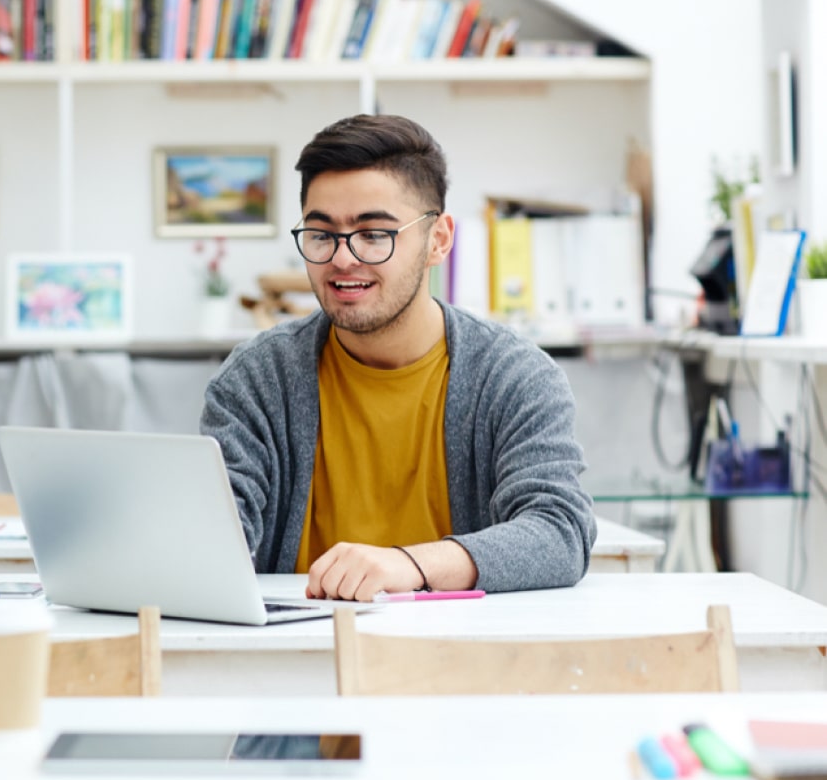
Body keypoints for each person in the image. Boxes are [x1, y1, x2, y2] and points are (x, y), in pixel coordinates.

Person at [200, 114, 595, 600]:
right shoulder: (256, 380)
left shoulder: (513, 376)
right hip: (294, 656)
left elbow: (559, 533)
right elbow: (216, 537)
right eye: (322, 235)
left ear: (439, 240)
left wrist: (408, 564)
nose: (344, 259)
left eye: (374, 234)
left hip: (465, 657)